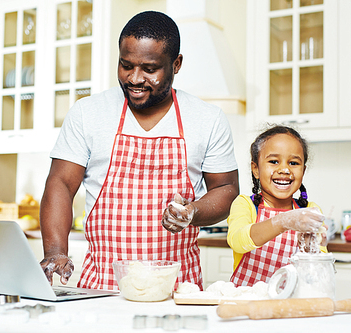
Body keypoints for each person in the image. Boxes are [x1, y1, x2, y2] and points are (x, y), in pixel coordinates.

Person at [39, 11, 239, 291]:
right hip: (101, 288)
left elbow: (227, 189)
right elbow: (60, 182)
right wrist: (55, 250)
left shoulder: (207, 118)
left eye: (149, 68)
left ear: (176, 64)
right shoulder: (88, 113)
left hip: (177, 290)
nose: (134, 78)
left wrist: (193, 211)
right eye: (126, 65)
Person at [227, 125, 326, 287]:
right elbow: (238, 241)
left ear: (303, 170)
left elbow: (318, 271)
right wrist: (283, 221)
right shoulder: (246, 204)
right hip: (248, 300)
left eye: (293, 163)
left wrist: (316, 248)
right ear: (256, 169)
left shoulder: (309, 210)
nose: (285, 169)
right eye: (273, 161)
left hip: (292, 301)